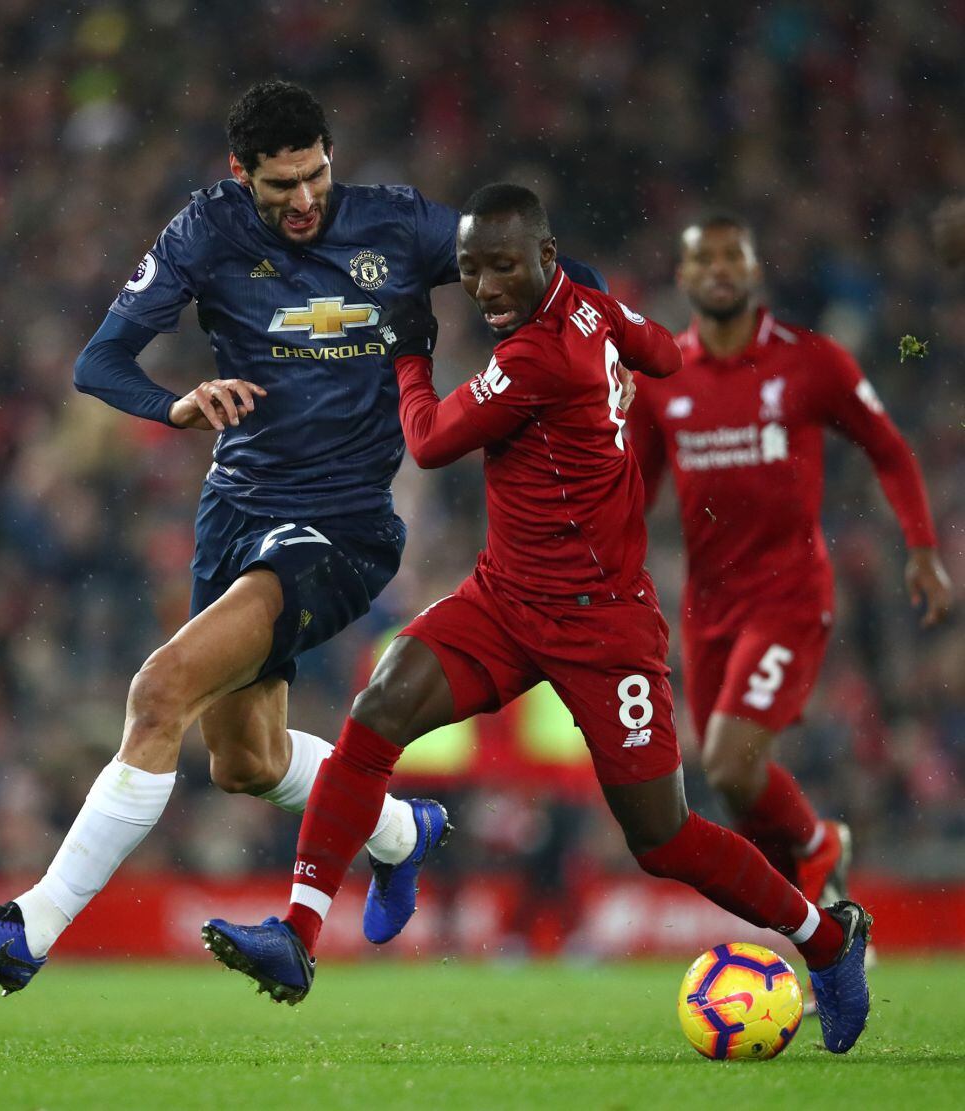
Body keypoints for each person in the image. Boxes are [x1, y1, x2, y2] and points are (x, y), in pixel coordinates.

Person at [0, 81, 609, 995]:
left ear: (331, 156)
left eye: (316, 175)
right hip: (235, 513)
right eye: (281, 185)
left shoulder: (398, 226)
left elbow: (559, 272)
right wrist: (176, 403)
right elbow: (100, 361)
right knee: (245, 760)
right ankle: (402, 832)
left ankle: (29, 929)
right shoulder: (206, 232)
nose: (304, 200)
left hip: (342, 526)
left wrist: (607, 350)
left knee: (158, 690)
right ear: (238, 172)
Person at [200, 184, 873, 1055]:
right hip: (505, 600)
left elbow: (433, 438)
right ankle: (296, 932)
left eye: (503, 267)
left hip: (605, 628)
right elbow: (666, 350)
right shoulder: (590, 310)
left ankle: (826, 938)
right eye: (471, 268)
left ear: (544, 258)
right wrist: (614, 334)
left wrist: (411, 351)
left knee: (661, 837)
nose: (483, 286)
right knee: (376, 712)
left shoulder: (535, 357)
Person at [623, 215, 952, 910]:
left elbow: (888, 447)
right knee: (735, 787)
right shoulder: (663, 379)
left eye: (731, 257)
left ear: (754, 271)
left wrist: (922, 548)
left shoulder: (811, 361)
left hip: (790, 596)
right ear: (682, 278)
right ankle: (826, 932)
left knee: (728, 761)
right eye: (702, 258)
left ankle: (819, 844)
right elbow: (635, 491)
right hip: (709, 608)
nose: (717, 269)